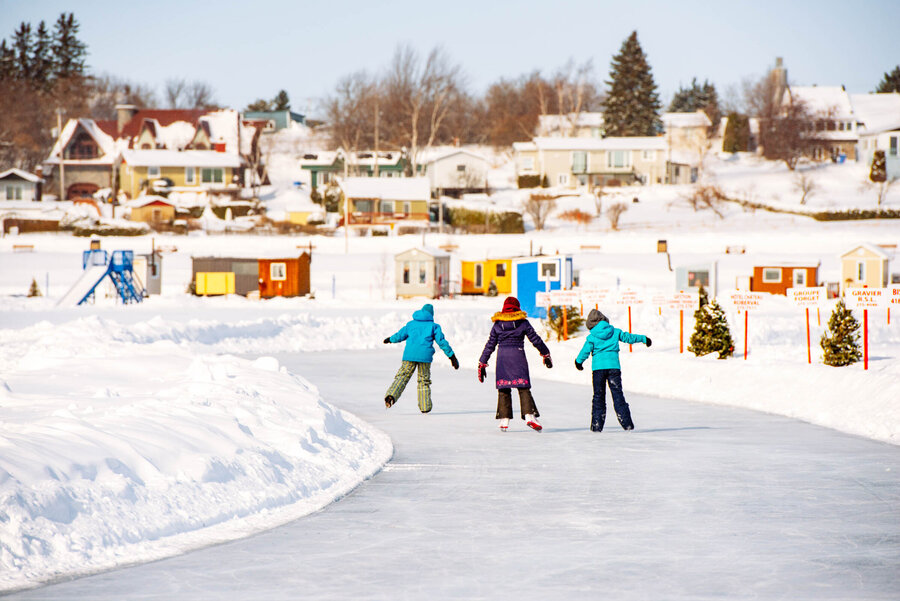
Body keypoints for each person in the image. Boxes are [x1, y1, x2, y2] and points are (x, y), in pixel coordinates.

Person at [478, 296, 552, 432]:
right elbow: (535, 339)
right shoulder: (523, 323)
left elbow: (490, 345)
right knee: (523, 387)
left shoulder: (497, 324)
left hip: (502, 358)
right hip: (518, 355)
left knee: (504, 388)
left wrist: (482, 362)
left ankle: (504, 420)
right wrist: (545, 353)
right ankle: (529, 416)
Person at [575, 309, 651, 432]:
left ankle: (596, 426)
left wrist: (578, 362)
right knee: (618, 395)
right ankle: (627, 425)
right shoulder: (615, 332)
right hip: (613, 368)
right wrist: (644, 338)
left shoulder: (592, 337)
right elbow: (628, 337)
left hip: (598, 370)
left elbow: (585, 351)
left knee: (598, 397)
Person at [383, 303, 458, 413]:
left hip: (409, 356)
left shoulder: (411, 324)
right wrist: (452, 356)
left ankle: (391, 396)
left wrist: (390, 339)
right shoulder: (434, 326)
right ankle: (425, 407)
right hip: (425, 357)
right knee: (423, 380)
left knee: (402, 376)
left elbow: (399, 335)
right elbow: (442, 342)